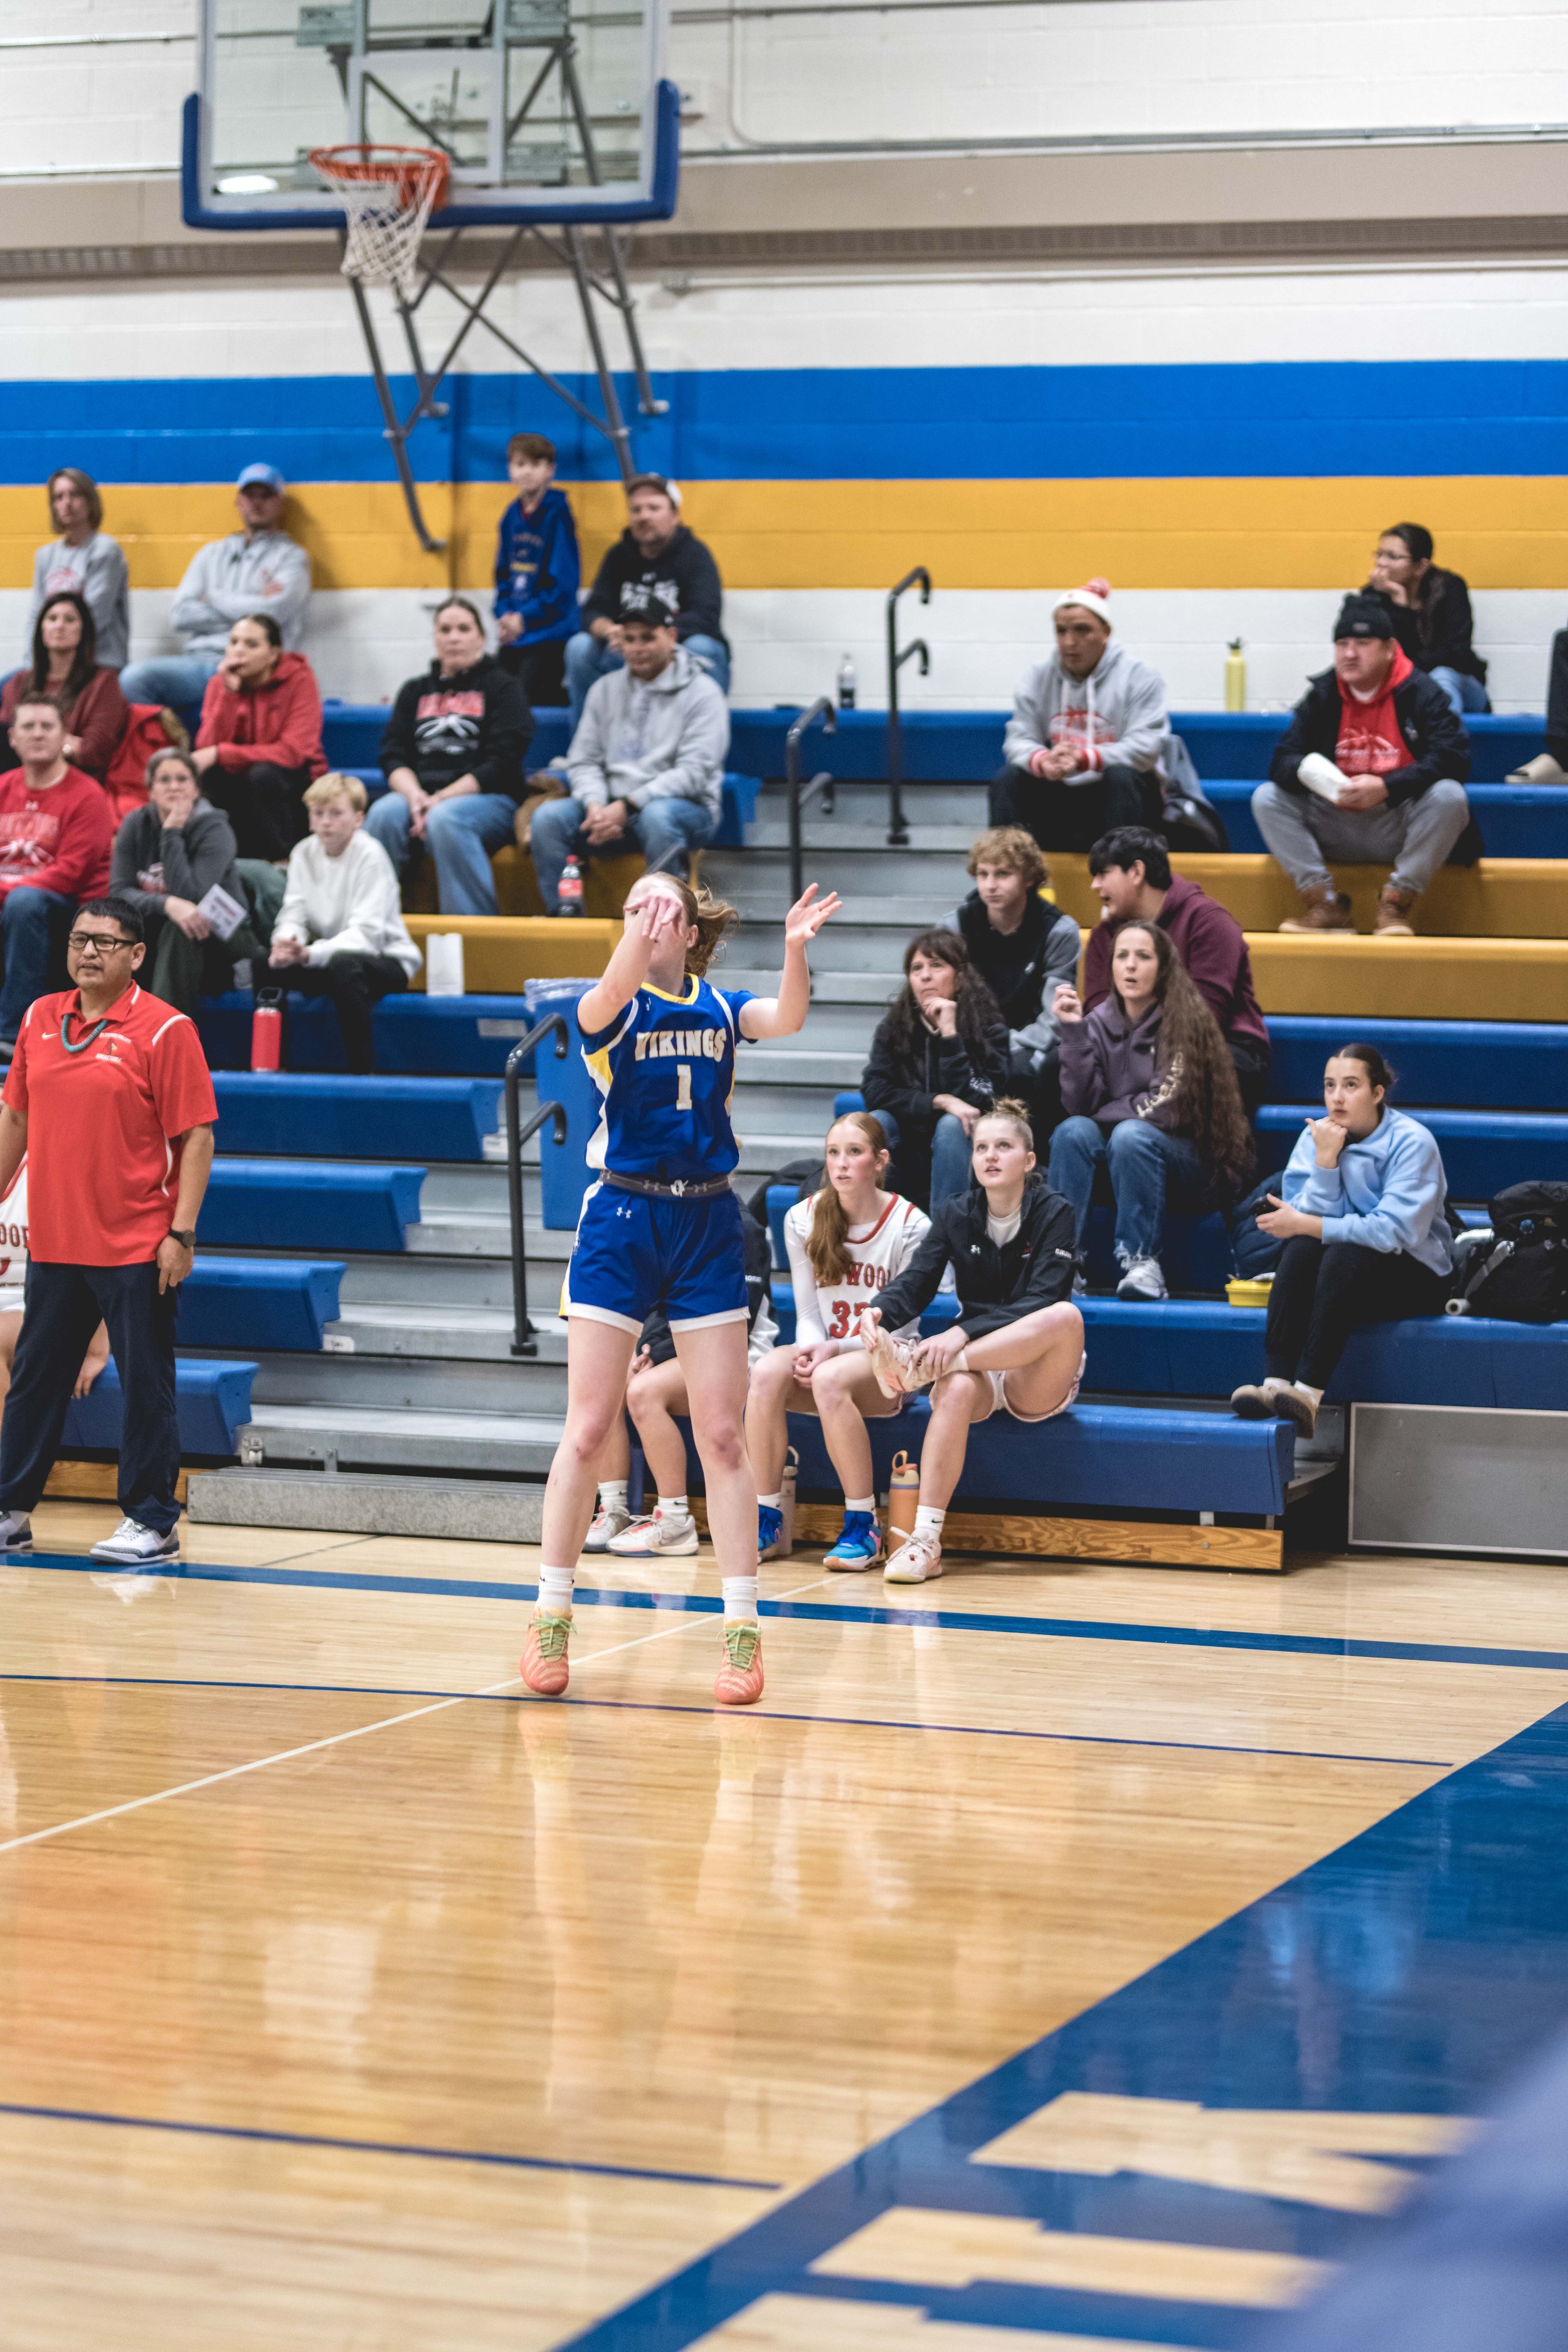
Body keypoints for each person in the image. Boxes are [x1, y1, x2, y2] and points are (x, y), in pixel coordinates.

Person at [522, 873, 840, 1709]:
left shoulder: (724, 1009)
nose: (650, 918)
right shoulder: (613, 1009)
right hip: (621, 1215)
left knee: (724, 1436)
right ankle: (551, 1612)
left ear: (693, 931)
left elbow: (790, 1016)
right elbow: (609, 990)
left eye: (664, 908)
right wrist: (639, 930)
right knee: (589, 1424)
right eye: (636, 909)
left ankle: (742, 1631)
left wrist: (795, 953)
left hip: (704, 1222)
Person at [0, 895, 217, 1567]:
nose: (88, 951)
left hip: (135, 1242)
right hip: (57, 1240)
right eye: (78, 939)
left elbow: (197, 1135)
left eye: (104, 941)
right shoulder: (40, 1018)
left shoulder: (164, 1029)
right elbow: (15, 1121)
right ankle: (10, 1510)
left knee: (146, 1382)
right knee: (36, 1378)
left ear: (137, 956)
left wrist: (180, 1234)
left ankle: (153, 1521)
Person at [857, 1101, 1084, 1585]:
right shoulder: (956, 1212)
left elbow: (1042, 1300)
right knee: (956, 1390)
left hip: (1032, 1371)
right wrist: (877, 1311)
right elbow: (917, 1282)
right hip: (975, 1371)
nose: (991, 1156)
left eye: (1004, 1146)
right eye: (982, 1147)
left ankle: (928, 1365)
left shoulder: (1055, 1211)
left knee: (1065, 1315)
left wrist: (959, 1335)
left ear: (1029, 1160)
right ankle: (925, 1541)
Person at [1231, 1043, 1452, 1438]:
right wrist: (1326, 1163)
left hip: (1416, 1273)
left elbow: (1393, 1232)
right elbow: (1306, 1226)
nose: (1337, 1096)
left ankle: (1308, 1396)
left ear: (1378, 1093)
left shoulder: (1413, 1142)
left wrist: (1309, 1224)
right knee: (1300, 1251)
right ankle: (1277, 1384)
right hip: (1347, 1273)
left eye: (1351, 1085)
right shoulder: (1316, 1138)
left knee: (1341, 1255)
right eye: (1330, 1085)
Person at [741, 1112, 931, 1572]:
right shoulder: (801, 1218)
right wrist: (811, 1349)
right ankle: (766, 1516)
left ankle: (863, 1524)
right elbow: (808, 1314)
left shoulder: (911, 1224)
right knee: (766, 1370)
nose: (841, 1164)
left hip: (890, 1362)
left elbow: (900, 1330)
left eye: (854, 1153)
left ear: (880, 1161)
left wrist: (833, 1351)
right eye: (833, 1153)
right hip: (830, 1356)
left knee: (827, 1378)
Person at [1048, 921, 1254, 1300]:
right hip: (1125, 1159)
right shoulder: (1095, 1023)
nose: (1130, 966)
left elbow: (1167, 1109)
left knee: (1131, 1135)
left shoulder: (1185, 1023)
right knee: (1072, 1132)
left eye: (1143, 957)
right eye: (1122, 956)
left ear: (1163, 968)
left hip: (1190, 1164)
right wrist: (1073, 1032)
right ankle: (1061, 1264)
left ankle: (1142, 1263)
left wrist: (1105, 1115)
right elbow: (1079, 1105)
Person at [1254, 595, 1472, 936]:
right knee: (1267, 797)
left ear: (1389, 649)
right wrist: (1322, 780)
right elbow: (1282, 761)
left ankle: (1395, 904)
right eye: (1342, 644)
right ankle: (1324, 904)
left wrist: (1388, 787)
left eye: (1363, 643)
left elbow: (1454, 758)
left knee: (1450, 796)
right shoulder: (1323, 694)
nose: (1350, 653)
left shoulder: (1421, 692)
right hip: (1335, 817)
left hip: (1397, 821)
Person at [588, 1209, 776, 1559]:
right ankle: (613, 1509)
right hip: (677, 1349)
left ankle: (674, 1521)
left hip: (741, 1353)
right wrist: (645, 1351)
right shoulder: (670, 1220)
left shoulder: (742, 1226)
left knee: (645, 1392)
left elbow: (737, 1317)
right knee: (612, 1378)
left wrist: (657, 1355)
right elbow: (657, 1308)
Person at [531, 592, 729, 913]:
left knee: (658, 818)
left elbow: (694, 773)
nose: (637, 648)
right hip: (611, 806)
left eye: (648, 638)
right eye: (629, 639)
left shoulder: (704, 693)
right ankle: (568, 922)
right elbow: (584, 760)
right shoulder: (604, 689)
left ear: (672, 636)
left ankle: (666, 929)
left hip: (686, 809)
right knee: (548, 819)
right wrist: (596, 805)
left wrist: (629, 805)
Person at [1082, 825, 1271, 1113]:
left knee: (1202, 1069)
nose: (1096, 886)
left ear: (1136, 872)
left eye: (1103, 874)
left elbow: (1207, 1014)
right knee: (1056, 1065)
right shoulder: (1104, 936)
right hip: (1127, 1046)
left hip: (1218, 1044)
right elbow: (1096, 1006)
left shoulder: (1209, 922)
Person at [367, 596, 534, 916]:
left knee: (447, 819)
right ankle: (374, 923)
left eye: (463, 628)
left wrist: (440, 799)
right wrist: (416, 797)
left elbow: (501, 762)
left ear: (481, 638)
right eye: (445, 629)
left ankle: (471, 934)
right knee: (383, 815)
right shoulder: (414, 690)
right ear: (435, 638)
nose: (454, 637)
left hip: (488, 799)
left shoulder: (504, 687)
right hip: (421, 795)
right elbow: (392, 754)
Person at [990, 580, 1170, 850]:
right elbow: (1017, 739)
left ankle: (1122, 883)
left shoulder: (1139, 677)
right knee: (1009, 779)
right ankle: (1004, 880)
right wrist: (1042, 761)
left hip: (1117, 795)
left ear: (1106, 632)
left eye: (1082, 630)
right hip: (1061, 793)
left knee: (1122, 777)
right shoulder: (1038, 676)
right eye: (1061, 631)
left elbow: (1147, 747)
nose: (1069, 642)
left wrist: (1085, 758)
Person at [120, 464, 310, 709]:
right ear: (238, 502)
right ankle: (167, 745)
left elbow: (273, 614)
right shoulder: (210, 554)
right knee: (134, 679)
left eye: (267, 496)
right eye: (250, 495)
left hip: (258, 667)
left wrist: (212, 597)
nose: (257, 503)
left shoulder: (293, 557)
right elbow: (180, 616)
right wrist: (251, 608)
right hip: (201, 663)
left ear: (281, 505)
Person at [266, 775, 421, 1074]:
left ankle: (363, 1072)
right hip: (330, 956)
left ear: (358, 819)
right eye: (318, 813)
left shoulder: (371, 856)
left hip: (385, 960)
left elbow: (367, 937)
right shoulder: (303, 852)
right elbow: (294, 912)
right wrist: (287, 942)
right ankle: (273, 1068)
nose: (326, 822)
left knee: (344, 966)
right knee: (266, 962)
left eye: (336, 813)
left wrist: (311, 954)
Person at [936, 825, 1082, 1122]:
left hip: (1030, 1043)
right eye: (983, 874)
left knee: (1025, 1070)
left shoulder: (1059, 930)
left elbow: (1053, 1014)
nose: (990, 885)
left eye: (1003, 874)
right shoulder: (954, 927)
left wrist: (1007, 1048)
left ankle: (1034, 1158)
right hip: (970, 1041)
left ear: (1029, 878)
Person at [861, 929, 1010, 1210]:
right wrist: (938, 1101)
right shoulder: (894, 1029)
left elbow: (985, 1101)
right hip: (906, 1153)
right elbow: (874, 1091)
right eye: (917, 968)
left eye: (937, 966)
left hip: (965, 1151)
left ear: (960, 978)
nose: (925, 976)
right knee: (876, 1122)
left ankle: (946, 1240)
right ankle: (863, 1230)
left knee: (953, 1125)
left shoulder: (989, 1029)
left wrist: (950, 1035)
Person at [110, 747, 267, 1015]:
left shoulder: (215, 829)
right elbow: (119, 892)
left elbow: (193, 895)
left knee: (183, 927)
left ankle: (161, 1037)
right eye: (164, 780)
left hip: (227, 937)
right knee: (103, 926)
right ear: (151, 790)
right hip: (164, 925)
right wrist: (168, 904)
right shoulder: (136, 823)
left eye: (183, 779)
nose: (174, 787)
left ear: (196, 790)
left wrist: (172, 831)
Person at [566, 475, 728, 728]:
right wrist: (610, 631)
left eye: (654, 508)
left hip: (676, 650)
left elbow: (705, 616)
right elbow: (593, 610)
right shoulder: (619, 556)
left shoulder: (695, 555)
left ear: (675, 515)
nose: (644, 516)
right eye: (636, 509)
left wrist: (648, 635)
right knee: (579, 647)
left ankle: (702, 744)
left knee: (704, 648)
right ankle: (586, 747)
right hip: (626, 650)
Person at [0, 697, 115, 1051]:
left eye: (47, 727)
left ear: (65, 735)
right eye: (28, 727)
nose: (38, 734)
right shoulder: (3, 786)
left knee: (24, 901)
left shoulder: (87, 795)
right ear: (12, 739)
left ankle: (13, 1033)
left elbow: (71, 874)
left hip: (67, 910)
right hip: (13, 899)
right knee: (19, 901)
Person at [191, 612, 326, 862]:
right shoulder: (219, 684)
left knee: (264, 775)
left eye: (251, 644)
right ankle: (227, 860)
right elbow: (205, 747)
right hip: (242, 784)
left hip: (293, 781)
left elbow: (294, 752)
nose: (238, 651)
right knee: (211, 775)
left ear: (273, 653)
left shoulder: (300, 680)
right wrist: (229, 695)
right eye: (234, 642)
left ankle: (283, 862)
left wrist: (222, 753)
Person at [0, 1157, 110, 1431]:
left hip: (34, 1302)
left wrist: (97, 1346)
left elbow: (94, 1253)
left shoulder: (44, 1168)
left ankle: (9, 1467)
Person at [1, 592, 129, 782]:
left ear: (84, 630)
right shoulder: (19, 681)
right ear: (41, 628)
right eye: (52, 618)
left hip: (74, 780)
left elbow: (93, 751)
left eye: (69, 620)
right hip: (20, 776)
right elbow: (9, 738)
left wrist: (35, 744)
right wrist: (65, 742)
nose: (59, 626)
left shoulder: (103, 682)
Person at [1365, 523, 1489, 718]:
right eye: (1379, 554)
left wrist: (1408, 668)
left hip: (1461, 684)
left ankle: (1446, 745)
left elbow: (1456, 652)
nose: (1381, 563)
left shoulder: (1449, 588)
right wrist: (1399, 605)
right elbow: (1377, 654)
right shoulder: (1374, 594)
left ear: (1421, 566)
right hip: (1402, 685)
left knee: (1441, 677)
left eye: (1392, 556)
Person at [492, 432, 580, 707]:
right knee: (495, 696)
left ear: (550, 470)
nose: (527, 471)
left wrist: (526, 617)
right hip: (517, 634)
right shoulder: (510, 516)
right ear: (510, 470)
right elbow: (502, 575)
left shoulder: (557, 514)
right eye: (519, 464)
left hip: (550, 634)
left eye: (535, 464)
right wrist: (505, 614)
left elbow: (563, 584)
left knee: (528, 698)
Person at [29, 469, 130, 673]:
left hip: (99, 664)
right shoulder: (45, 556)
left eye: (75, 495)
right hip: (53, 666)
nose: (66, 503)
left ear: (90, 501)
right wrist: (32, 667)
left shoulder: (105, 550)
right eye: (59, 497)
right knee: (9, 688)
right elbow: (36, 617)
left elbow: (94, 618)